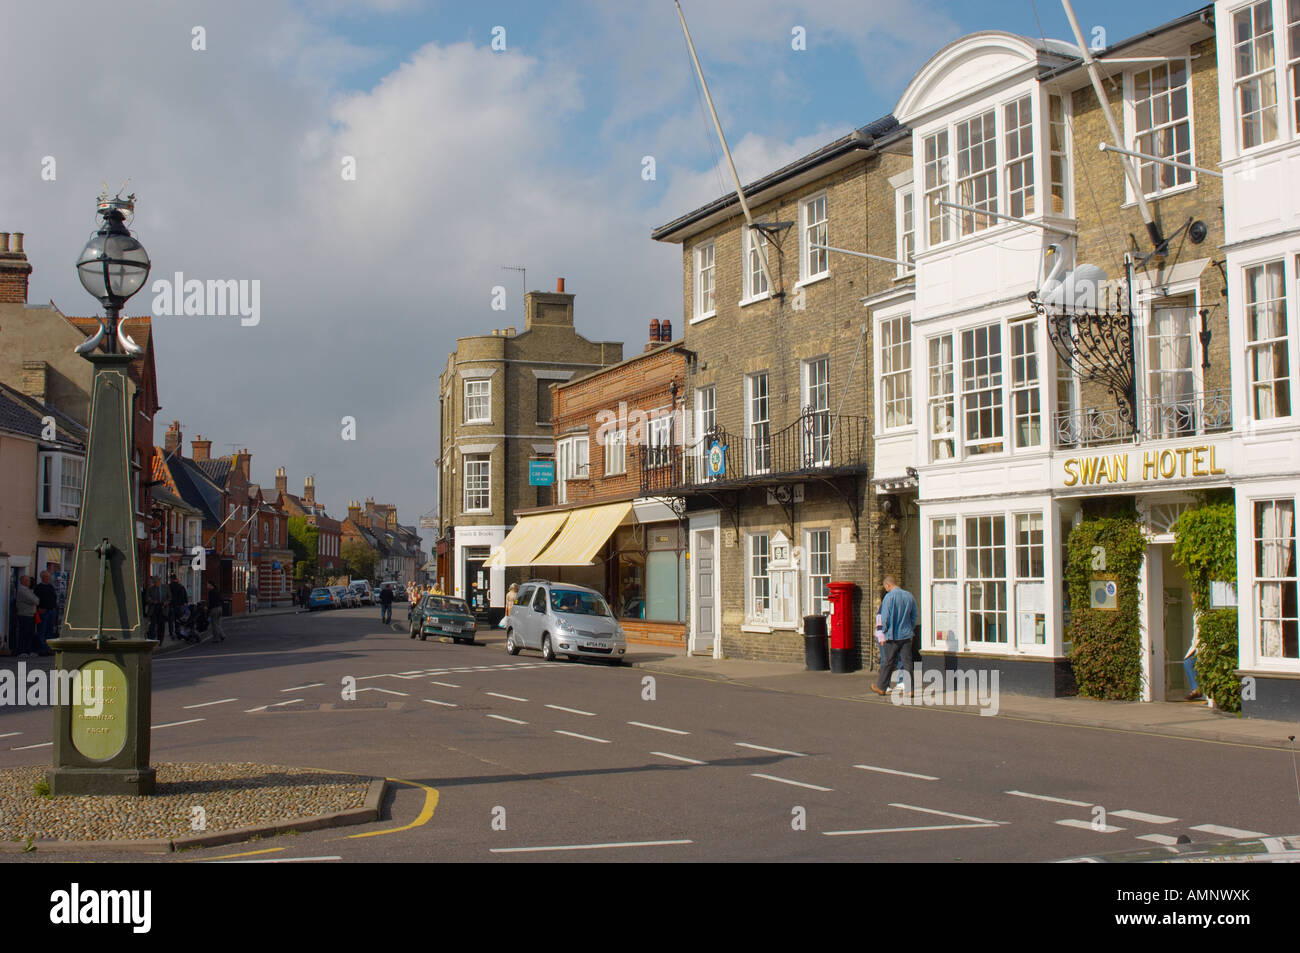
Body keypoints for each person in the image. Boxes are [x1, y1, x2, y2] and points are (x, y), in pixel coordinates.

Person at [873, 575, 918, 696]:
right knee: (907, 662)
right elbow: (914, 616)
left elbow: (885, 617)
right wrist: (909, 627)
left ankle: (881, 687)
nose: (886, 589)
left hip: (892, 636)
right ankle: (910, 690)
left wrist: (882, 633)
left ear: (888, 585)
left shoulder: (889, 597)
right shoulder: (909, 595)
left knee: (888, 662)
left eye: (885, 587)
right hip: (907, 635)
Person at [14, 575, 40, 658]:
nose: (29, 582)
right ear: (23, 581)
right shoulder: (22, 590)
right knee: (24, 634)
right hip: (24, 615)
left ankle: (28, 650)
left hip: (30, 615)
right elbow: (35, 600)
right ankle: (22, 651)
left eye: (29, 580)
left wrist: (35, 599)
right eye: (27, 581)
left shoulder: (27, 590)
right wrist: (35, 599)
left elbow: (36, 599)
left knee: (30, 634)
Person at [33, 571, 59, 654]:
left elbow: (54, 598)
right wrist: (39, 608)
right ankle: (42, 649)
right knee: (42, 630)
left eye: (49, 577)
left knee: (49, 631)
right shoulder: (38, 587)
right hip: (43, 611)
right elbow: (36, 599)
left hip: (51, 611)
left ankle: (48, 648)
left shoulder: (51, 587)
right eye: (47, 577)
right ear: (43, 578)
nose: (48, 579)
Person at [144, 575, 169, 641]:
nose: (156, 583)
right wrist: (152, 601)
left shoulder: (165, 588)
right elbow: (147, 598)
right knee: (153, 624)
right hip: (154, 607)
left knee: (161, 625)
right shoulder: (150, 589)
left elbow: (170, 598)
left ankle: (160, 639)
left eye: (157, 582)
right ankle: (151, 638)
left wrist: (166, 602)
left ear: (160, 581)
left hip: (162, 607)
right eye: (154, 582)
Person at [167, 574, 188, 641]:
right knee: (178, 620)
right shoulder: (181, 587)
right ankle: (178, 632)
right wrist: (184, 604)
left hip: (171, 605)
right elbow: (184, 596)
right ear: (176, 579)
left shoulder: (169, 587)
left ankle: (171, 633)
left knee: (171, 620)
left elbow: (167, 596)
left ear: (171, 579)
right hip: (179, 606)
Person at [1184, 633, 1203, 702]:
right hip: (1196, 649)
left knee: (1189, 662)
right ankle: (1196, 689)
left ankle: (1198, 690)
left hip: (1204, 649)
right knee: (1187, 662)